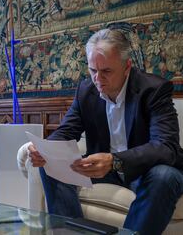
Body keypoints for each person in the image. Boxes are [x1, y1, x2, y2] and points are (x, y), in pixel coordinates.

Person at [28, 28, 183, 235]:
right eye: (93, 70)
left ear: (127, 66)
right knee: (50, 164)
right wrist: (43, 149)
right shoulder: (86, 90)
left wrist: (115, 160)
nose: (98, 79)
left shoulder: (153, 89)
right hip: (104, 169)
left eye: (107, 71)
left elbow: (166, 147)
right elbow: (66, 132)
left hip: (143, 170)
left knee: (165, 176)